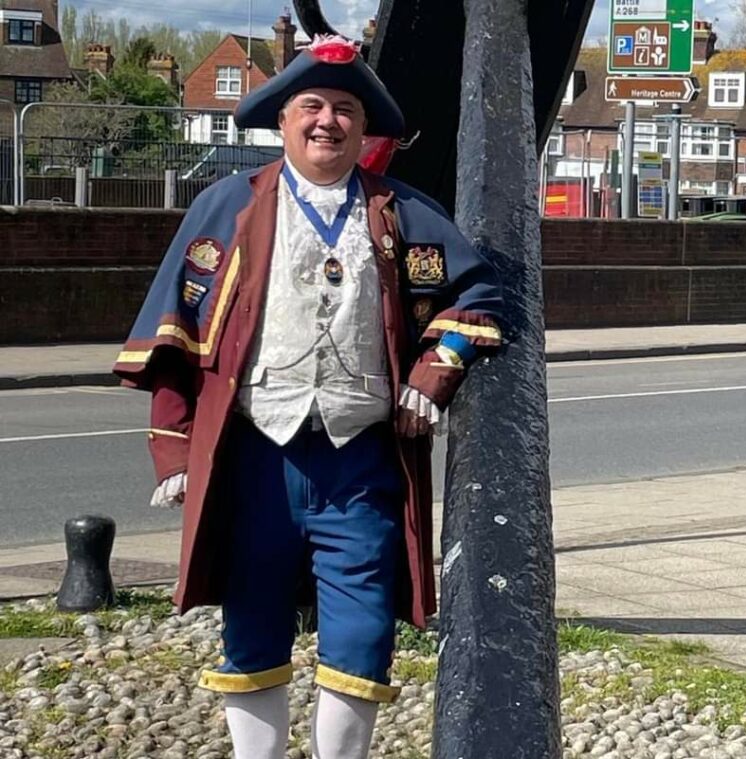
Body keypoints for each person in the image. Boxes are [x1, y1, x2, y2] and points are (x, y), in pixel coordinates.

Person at [113, 34, 502, 759]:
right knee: (251, 622)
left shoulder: (403, 212)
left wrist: (434, 371)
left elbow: (477, 297)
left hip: (361, 468)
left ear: (364, 127)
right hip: (254, 459)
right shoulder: (227, 205)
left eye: (345, 109)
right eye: (313, 106)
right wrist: (173, 446)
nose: (328, 121)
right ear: (285, 121)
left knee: (362, 634)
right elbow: (173, 332)